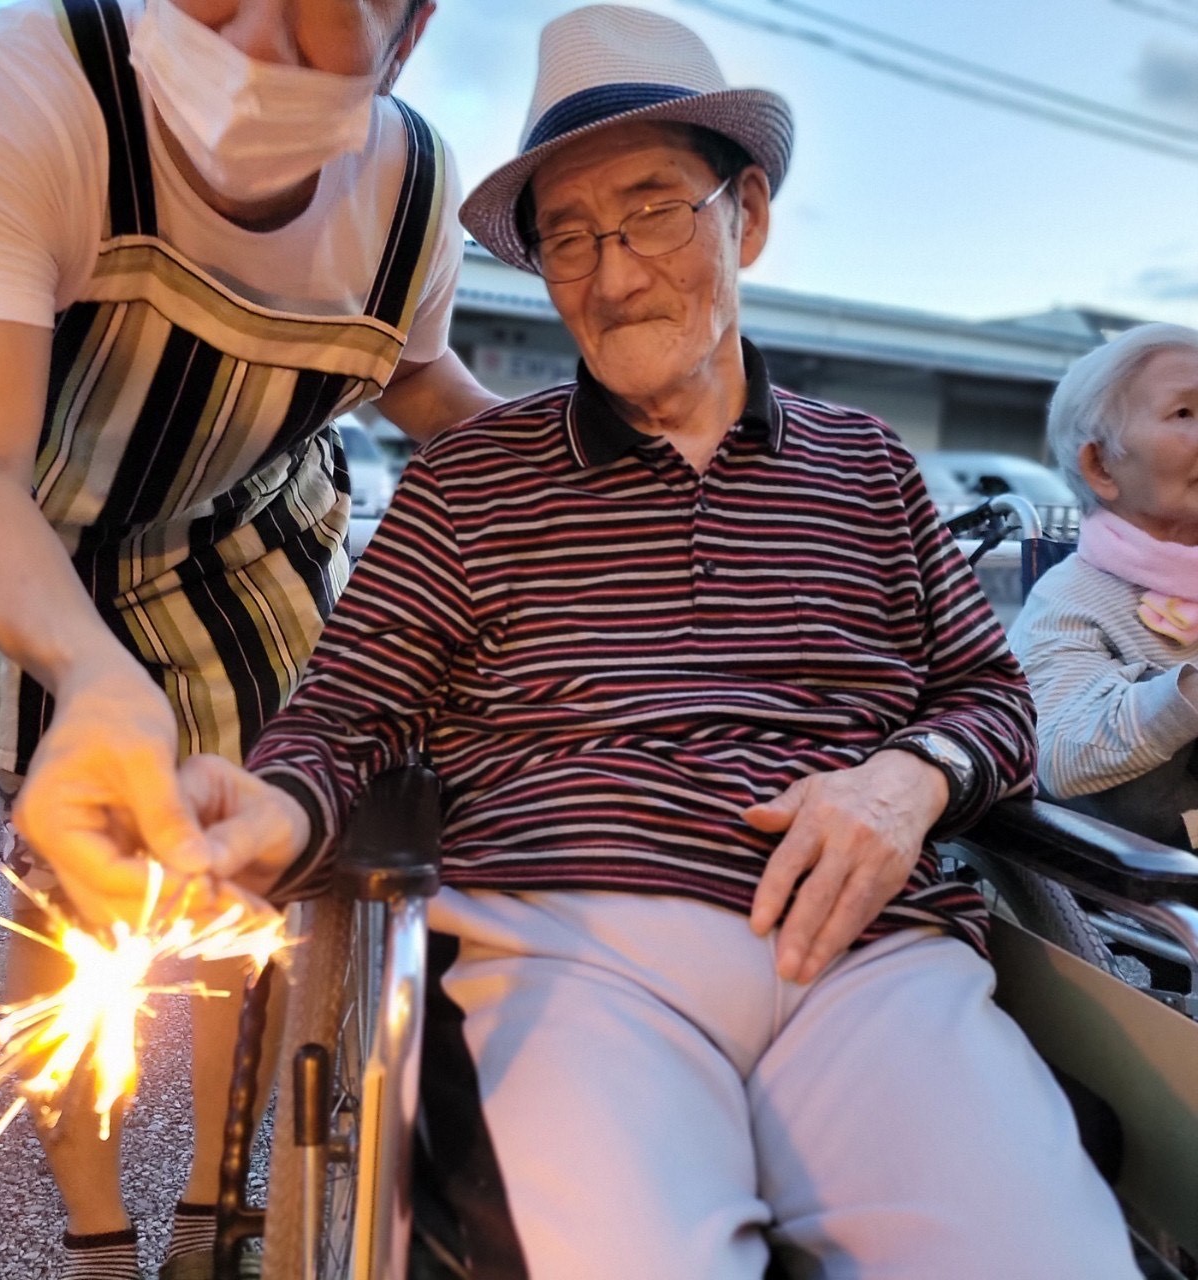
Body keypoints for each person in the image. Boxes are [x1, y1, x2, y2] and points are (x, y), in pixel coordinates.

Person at [178, 6, 1139, 1277]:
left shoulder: (866, 465)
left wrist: (905, 781)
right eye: (568, 237)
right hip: (575, 941)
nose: (612, 272)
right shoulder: (472, 477)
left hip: (865, 947)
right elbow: (348, 715)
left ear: (744, 216)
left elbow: (990, 699)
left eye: (649, 212)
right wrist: (270, 812)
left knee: (1037, 1256)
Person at [0, 0, 499, 1276]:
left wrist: (562, 464)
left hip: (256, 543)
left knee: (245, 881)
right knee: (67, 908)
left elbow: (416, 373)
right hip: (44, 546)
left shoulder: (409, 195)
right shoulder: (23, 90)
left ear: (407, 35)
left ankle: (210, 1213)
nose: (252, 36)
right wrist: (91, 679)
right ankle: (98, 1237)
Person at [1010, 322, 1198, 849]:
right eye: (1185, 412)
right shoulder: (1068, 600)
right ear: (1101, 466)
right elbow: (1059, 755)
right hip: (1148, 898)